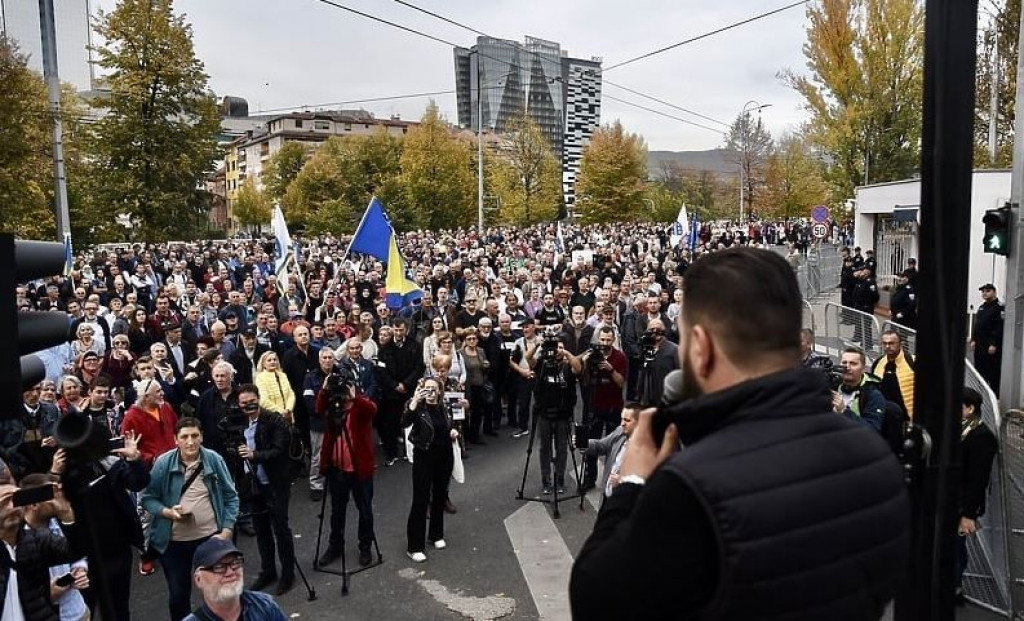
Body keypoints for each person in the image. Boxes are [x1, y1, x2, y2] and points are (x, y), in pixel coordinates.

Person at [570, 247, 910, 620]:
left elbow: (597, 599)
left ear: (701, 347)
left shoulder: (691, 487)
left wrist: (632, 481)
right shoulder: (876, 461)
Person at [141, 418, 239, 621]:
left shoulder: (213, 459)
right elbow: (148, 499)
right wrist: (168, 512)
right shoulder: (163, 463)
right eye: (184, 437)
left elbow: (231, 496)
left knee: (219, 594)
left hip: (210, 541)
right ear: (175, 439)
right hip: (174, 545)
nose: (190, 441)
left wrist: (227, 531)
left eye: (195, 436)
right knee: (178, 597)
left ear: (201, 436)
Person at [233, 385, 295, 597]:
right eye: (243, 404)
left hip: (275, 484)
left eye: (251, 402)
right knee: (261, 531)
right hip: (252, 486)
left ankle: (288, 574)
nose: (248, 406)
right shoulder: (238, 423)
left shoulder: (274, 420)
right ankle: (268, 571)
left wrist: (254, 455)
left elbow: (279, 450)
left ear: (258, 400)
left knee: (280, 529)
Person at [316, 379, 378, 568]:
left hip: (360, 469)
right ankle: (335, 546)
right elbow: (318, 409)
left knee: (365, 510)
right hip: (337, 468)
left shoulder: (360, 405)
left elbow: (372, 410)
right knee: (337, 512)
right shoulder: (334, 405)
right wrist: (325, 388)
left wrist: (354, 397)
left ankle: (365, 547)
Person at [0, 481, 83, 621]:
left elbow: (77, 550)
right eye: (4, 502)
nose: (12, 507)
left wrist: (66, 512)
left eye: (16, 500)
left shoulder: (35, 539)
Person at [402, 377, 458, 563]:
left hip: (444, 456)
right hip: (424, 456)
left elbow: (449, 424)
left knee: (440, 495)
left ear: (440, 391)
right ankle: (414, 546)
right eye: (427, 389)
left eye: (434, 389)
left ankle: (436, 535)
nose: (431, 393)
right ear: (422, 390)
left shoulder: (445, 407)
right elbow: (404, 422)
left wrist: (452, 431)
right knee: (421, 498)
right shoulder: (416, 407)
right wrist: (415, 401)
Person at [525, 332, 582, 495]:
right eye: (556, 348)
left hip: (563, 415)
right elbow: (528, 358)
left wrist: (565, 353)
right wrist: (537, 344)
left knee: (562, 448)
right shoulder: (542, 364)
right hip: (543, 413)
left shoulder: (567, 366)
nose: (556, 351)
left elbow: (577, 368)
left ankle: (560, 479)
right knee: (545, 448)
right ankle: (546, 479)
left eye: (560, 347)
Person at [957, 387, 998, 606]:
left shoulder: (981, 437)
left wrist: (968, 514)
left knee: (955, 548)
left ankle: (953, 589)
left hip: (962, 505)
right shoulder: (960, 430)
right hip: (950, 500)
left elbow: (978, 480)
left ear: (970, 409)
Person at [184, 538, 288, 621]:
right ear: (198, 579)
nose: (230, 572)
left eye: (235, 563)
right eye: (219, 567)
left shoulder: (265, 606)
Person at [578, 327, 627, 492]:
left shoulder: (619, 357)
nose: (605, 343)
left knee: (614, 445)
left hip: (613, 406)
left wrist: (610, 368)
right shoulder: (592, 355)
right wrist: (586, 363)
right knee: (591, 444)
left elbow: (621, 383)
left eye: (608, 340)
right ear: (598, 339)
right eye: (602, 340)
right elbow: (584, 382)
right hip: (595, 406)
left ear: (613, 340)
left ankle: (613, 478)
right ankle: (589, 478)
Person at [582, 404, 639, 505]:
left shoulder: (645, 450)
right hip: (607, 499)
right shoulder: (620, 432)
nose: (622, 424)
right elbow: (601, 446)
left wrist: (623, 481)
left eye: (627, 420)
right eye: (622, 419)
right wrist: (583, 443)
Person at [833, 347, 887, 433]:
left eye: (853, 364)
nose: (847, 367)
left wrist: (844, 411)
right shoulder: (832, 386)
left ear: (863, 368)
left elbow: (872, 430)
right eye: (844, 363)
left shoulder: (873, 395)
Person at [871, 330, 915, 419]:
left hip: (907, 416)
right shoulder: (878, 363)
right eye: (884, 343)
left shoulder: (911, 362)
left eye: (891, 343)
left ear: (900, 344)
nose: (887, 346)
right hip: (884, 415)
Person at [971, 284, 1004, 396]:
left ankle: (994, 395)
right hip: (980, 344)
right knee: (979, 369)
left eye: (988, 291)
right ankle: (980, 393)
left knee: (992, 371)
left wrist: (994, 344)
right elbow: (977, 325)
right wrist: (973, 339)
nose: (984, 293)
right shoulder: (982, 307)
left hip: (990, 345)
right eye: (983, 291)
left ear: (994, 292)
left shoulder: (999, 308)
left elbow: (999, 327)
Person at [253, 352, 295, 425]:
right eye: (269, 360)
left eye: (275, 360)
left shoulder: (283, 375)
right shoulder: (260, 378)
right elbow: (263, 401)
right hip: (272, 419)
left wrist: (288, 409)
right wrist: (281, 412)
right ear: (263, 363)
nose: (273, 362)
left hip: (288, 417)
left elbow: (291, 394)